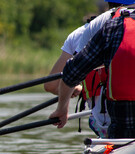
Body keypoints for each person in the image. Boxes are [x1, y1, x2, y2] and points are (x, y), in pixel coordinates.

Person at [45, 0, 134, 137]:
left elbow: (56, 82)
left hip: (115, 127)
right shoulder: (113, 25)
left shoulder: (107, 28)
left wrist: (63, 105)